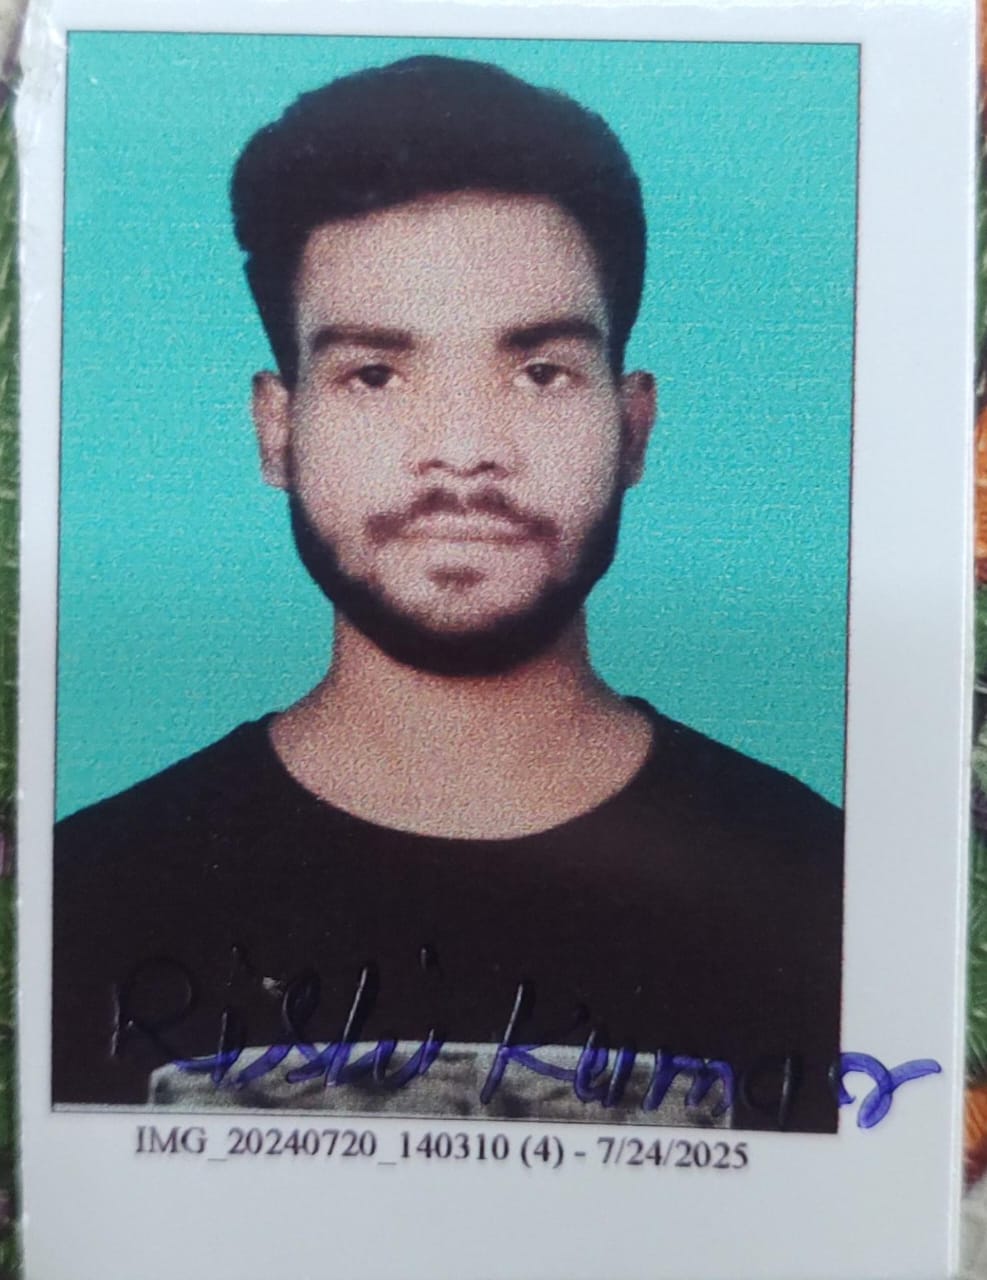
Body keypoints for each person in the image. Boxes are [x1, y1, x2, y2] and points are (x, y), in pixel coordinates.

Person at [52, 55, 843, 1130]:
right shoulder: (80, 899)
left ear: (632, 426)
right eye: (375, 374)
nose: (464, 452)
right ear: (277, 428)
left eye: (540, 371)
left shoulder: (828, 892)